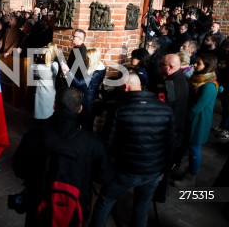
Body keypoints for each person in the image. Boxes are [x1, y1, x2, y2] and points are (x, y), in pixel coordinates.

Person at [13, 87, 113, 227]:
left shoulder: (34, 135)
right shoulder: (93, 143)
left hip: (37, 209)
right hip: (75, 210)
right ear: (80, 109)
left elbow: (19, 169)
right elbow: (104, 176)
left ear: (54, 106)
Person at [91, 73, 174, 227]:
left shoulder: (119, 108)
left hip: (126, 170)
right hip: (154, 170)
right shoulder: (165, 109)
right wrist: (164, 169)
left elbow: (107, 142)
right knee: (142, 207)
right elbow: (170, 142)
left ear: (125, 86)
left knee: (105, 200)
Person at [174, 53, 219, 187]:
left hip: (198, 121)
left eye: (199, 63)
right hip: (192, 119)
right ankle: (183, 165)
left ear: (207, 66)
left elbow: (196, 108)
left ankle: (192, 176)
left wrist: (180, 115)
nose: (194, 64)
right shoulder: (198, 78)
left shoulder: (208, 85)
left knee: (194, 148)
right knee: (189, 145)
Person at [66, 48, 106, 131]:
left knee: (86, 124)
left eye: (87, 58)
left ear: (92, 59)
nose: (85, 59)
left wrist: (67, 71)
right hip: (89, 98)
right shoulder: (99, 68)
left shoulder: (95, 73)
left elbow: (79, 83)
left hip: (88, 101)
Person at [33, 43, 59, 120]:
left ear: (42, 57)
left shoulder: (39, 67)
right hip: (51, 91)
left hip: (41, 92)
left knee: (41, 112)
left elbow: (35, 76)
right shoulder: (55, 65)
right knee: (50, 112)